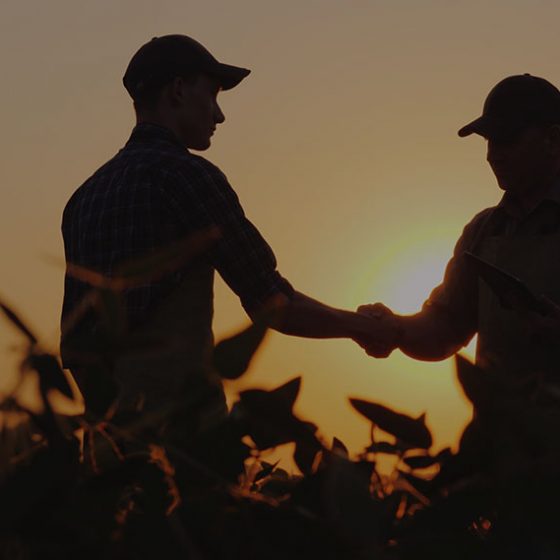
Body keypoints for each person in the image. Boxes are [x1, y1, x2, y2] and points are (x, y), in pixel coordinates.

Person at [60, 34, 387, 418]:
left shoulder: (82, 199)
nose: (219, 114)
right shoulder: (189, 177)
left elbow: (74, 347)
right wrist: (364, 327)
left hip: (108, 453)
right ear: (178, 91)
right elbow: (273, 303)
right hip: (184, 444)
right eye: (213, 95)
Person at [358, 74, 560, 380]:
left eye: (508, 139)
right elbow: (445, 330)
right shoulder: (483, 231)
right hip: (498, 427)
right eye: (490, 141)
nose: (494, 155)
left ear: (554, 140)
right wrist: (394, 328)